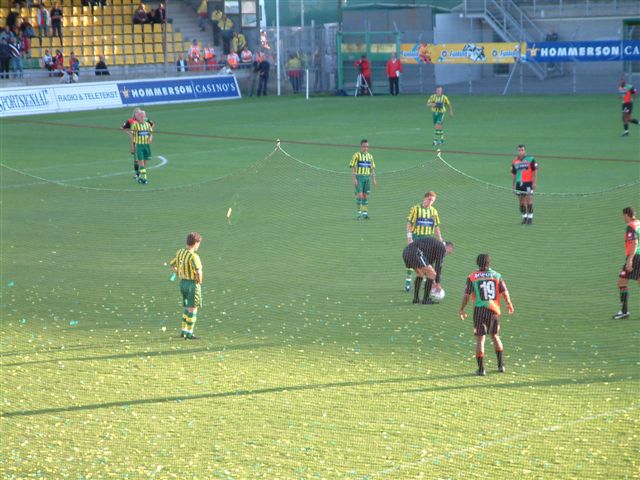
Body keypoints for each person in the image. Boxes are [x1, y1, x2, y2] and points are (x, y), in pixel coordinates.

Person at [459, 254, 514, 376]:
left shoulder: (472, 277)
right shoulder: (496, 275)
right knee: (495, 336)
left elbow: (466, 295)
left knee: (480, 339)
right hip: (493, 311)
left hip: (479, 310)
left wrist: (462, 309)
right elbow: (504, 291)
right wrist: (509, 304)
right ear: (490, 263)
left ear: (477, 263)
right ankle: (501, 366)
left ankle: (481, 369)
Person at [404, 191, 443, 292]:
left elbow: (436, 226)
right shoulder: (416, 209)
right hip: (416, 238)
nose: (430, 202)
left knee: (426, 262)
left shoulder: (434, 211)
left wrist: (440, 240)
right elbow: (409, 223)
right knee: (412, 260)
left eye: (432, 200)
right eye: (429, 199)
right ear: (425, 198)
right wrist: (409, 237)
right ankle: (408, 283)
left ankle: (427, 282)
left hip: (428, 240)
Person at [169, 232, 204, 340]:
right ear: (196, 243)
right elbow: (199, 272)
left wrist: (179, 273)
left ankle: (183, 331)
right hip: (192, 284)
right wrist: (199, 281)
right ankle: (189, 333)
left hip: (183, 283)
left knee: (187, 307)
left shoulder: (180, 252)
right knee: (193, 309)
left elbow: (172, 264)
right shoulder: (194, 256)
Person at [402, 237, 454, 304]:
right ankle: (426, 299)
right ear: (449, 247)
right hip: (415, 252)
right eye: (449, 252)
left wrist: (433, 282)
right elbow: (438, 267)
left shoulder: (435, 247)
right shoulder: (442, 248)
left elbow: (429, 266)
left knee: (420, 274)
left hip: (406, 252)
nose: (446, 254)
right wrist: (438, 284)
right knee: (433, 274)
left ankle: (416, 299)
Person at [613, 207, 640, 319]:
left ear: (626, 215)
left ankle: (624, 312)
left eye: (623, 216)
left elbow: (634, 243)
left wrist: (630, 260)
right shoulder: (638, 223)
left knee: (621, 283)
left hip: (635, 257)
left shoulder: (630, 226)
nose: (623, 218)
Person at [349, 139, 376, 220]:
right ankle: (359, 213)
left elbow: (372, 169)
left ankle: (365, 213)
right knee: (359, 195)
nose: (366, 148)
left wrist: (374, 179)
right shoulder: (356, 155)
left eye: (367, 146)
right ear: (361, 146)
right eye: (364, 146)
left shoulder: (370, 156)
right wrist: (354, 179)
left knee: (365, 196)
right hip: (359, 177)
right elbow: (353, 167)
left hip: (367, 178)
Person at [511, 144, 538, 225]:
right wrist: (513, 185)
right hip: (519, 184)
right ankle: (524, 217)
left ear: (525, 151)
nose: (521, 152)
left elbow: (535, 171)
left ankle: (530, 218)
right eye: (519, 150)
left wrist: (534, 182)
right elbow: (514, 174)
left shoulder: (531, 159)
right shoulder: (515, 161)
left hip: (528, 183)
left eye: (522, 150)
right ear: (517, 151)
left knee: (529, 200)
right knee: (521, 202)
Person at [131, 109, 153, 184]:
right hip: (139, 146)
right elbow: (132, 136)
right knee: (141, 162)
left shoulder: (147, 124)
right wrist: (133, 146)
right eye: (140, 116)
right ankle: (145, 179)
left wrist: (150, 138)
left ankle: (140, 177)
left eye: (143, 116)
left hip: (146, 146)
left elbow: (150, 133)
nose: (142, 117)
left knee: (145, 162)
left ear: (145, 116)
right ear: (138, 117)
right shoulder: (135, 125)